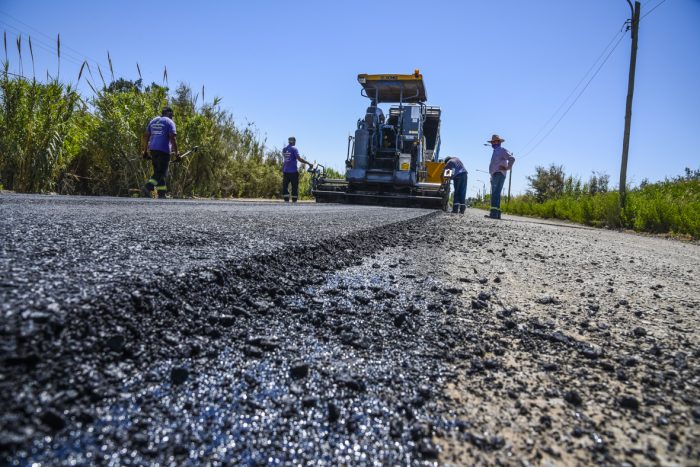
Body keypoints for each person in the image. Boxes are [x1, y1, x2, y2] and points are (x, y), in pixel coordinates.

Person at [141, 106, 179, 199]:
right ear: (169, 113)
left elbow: (146, 136)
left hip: (153, 149)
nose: (172, 117)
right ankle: (147, 187)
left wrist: (145, 151)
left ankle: (162, 193)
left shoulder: (153, 121)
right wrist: (177, 153)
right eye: (172, 115)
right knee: (161, 172)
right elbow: (173, 138)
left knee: (158, 172)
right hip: (164, 150)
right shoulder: (170, 122)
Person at [486, 134, 515, 219]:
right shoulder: (496, 151)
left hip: (499, 173)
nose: (493, 144)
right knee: (496, 193)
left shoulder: (501, 150)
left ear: (498, 142)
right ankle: (497, 214)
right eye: (492, 142)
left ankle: (493, 214)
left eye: (494, 142)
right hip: (496, 174)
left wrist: (508, 167)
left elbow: (512, 158)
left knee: (495, 193)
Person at [282, 136, 312, 203]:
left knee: (285, 186)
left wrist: (282, 169)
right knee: (294, 186)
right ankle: (294, 200)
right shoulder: (294, 149)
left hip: (285, 171)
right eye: (295, 141)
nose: (295, 142)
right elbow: (299, 158)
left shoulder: (284, 149)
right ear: (293, 141)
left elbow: (285, 160)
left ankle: (286, 200)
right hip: (293, 171)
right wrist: (308, 163)